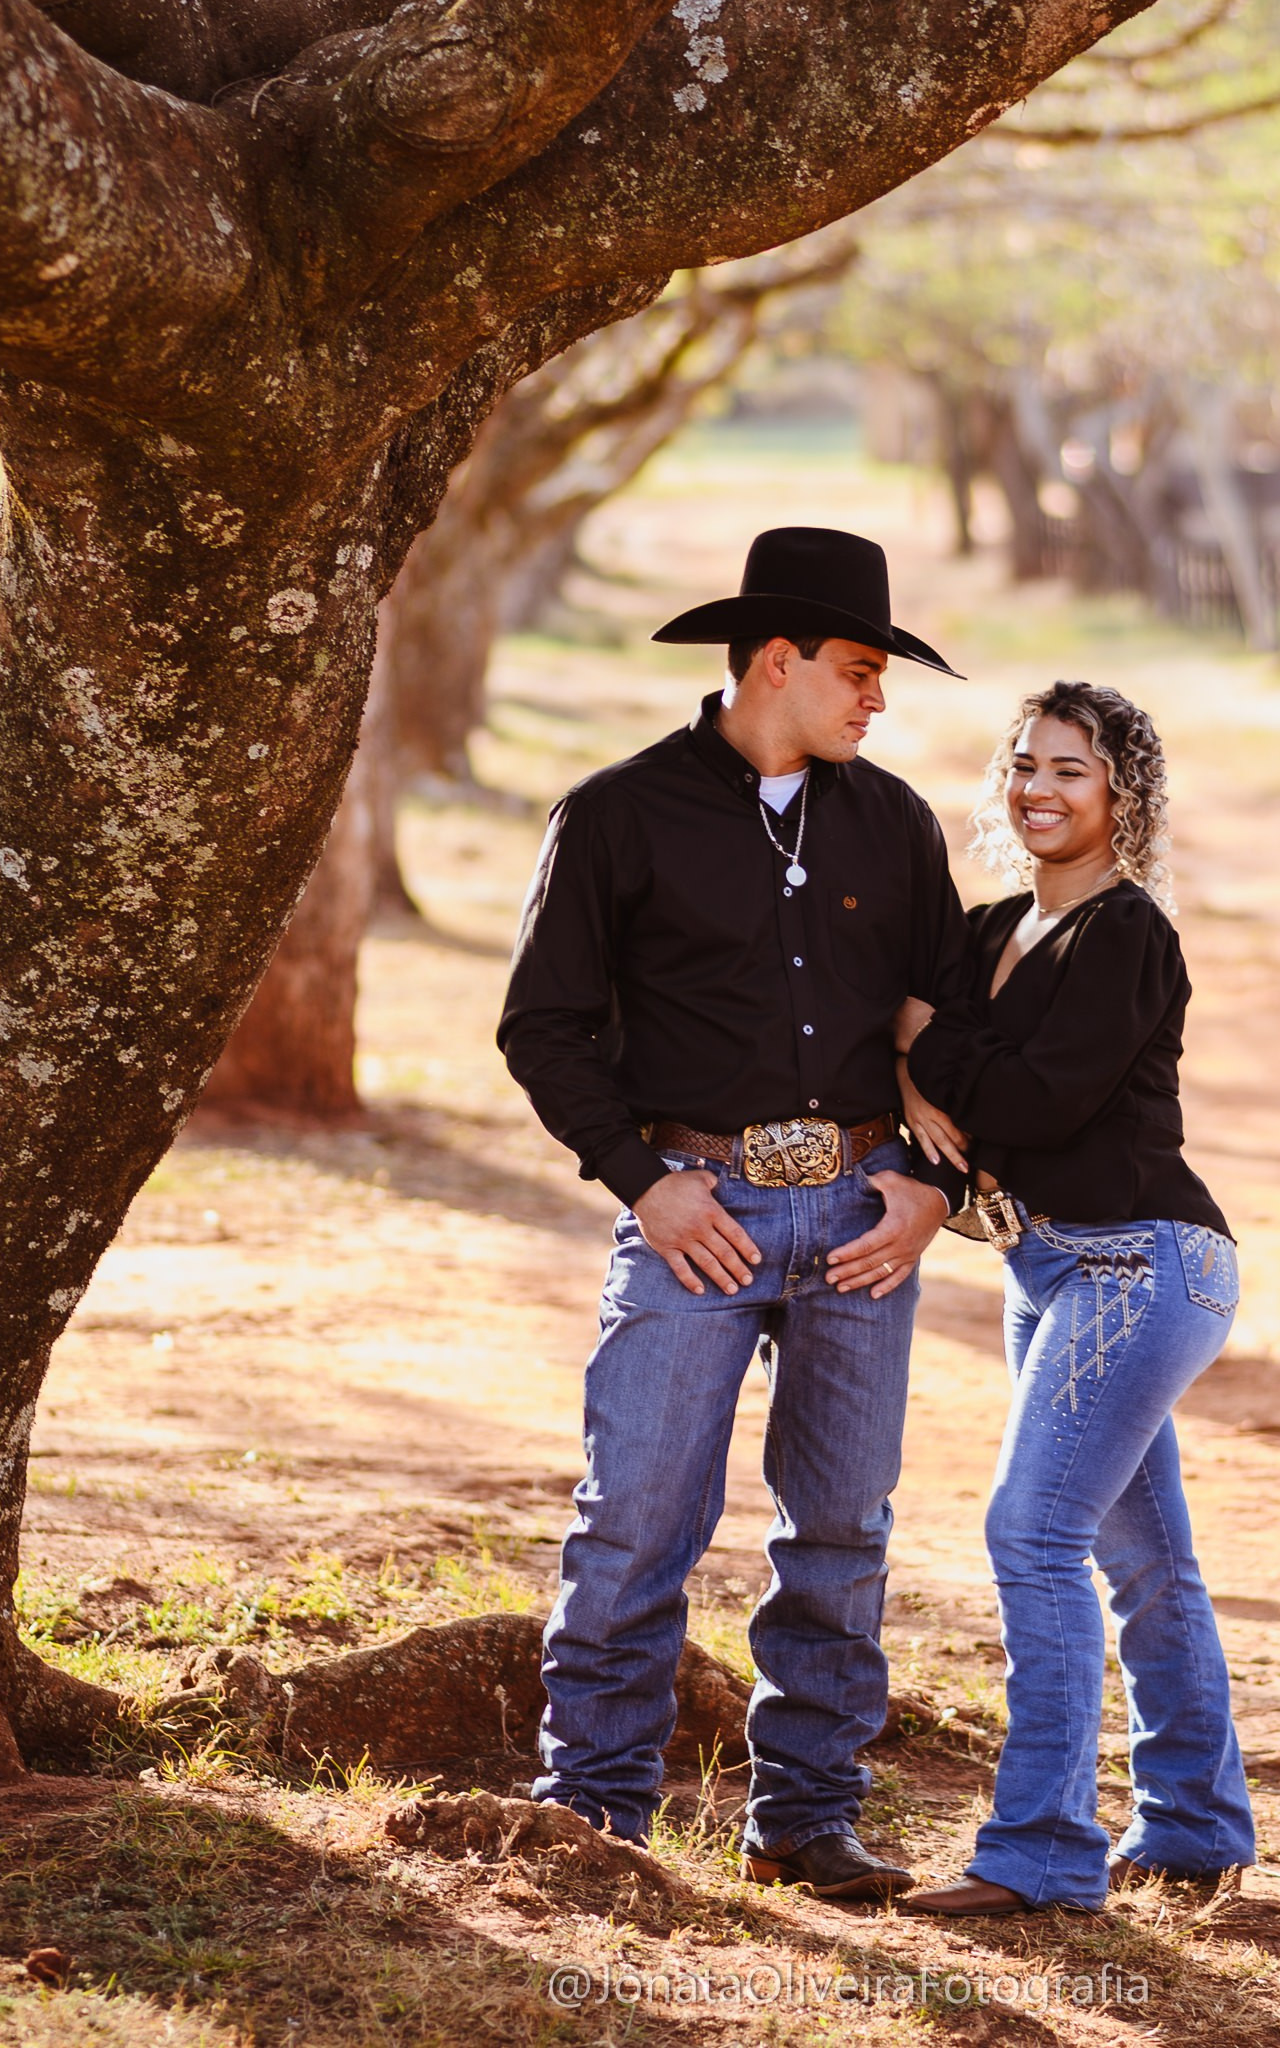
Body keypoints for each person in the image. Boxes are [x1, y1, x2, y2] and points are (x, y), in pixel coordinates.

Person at [498, 526, 963, 1903]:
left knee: (842, 1527)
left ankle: (807, 1819)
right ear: (778, 662)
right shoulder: (619, 814)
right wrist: (647, 1180)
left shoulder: (894, 822)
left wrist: (933, 1186)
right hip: (694, 1206)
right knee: (639, 1513)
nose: (877, 702)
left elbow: (951, 1025)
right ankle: (592, 1819)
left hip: (865, 1221)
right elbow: (546, 1028)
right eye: (862, 672)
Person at [894, 678, 1255, 1918]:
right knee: (1143, 1558)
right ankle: (1196, 1827)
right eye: (1025, 766)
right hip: (1043, 1266)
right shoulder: (991, 923)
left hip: (1143, 1262)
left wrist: (923, 1059)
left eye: (1072, 772)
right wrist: (919, 1061)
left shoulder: (1129, 935)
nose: (1039, 792)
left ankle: (1041, 1853)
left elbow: (1035, 1101)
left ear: (1122, 799)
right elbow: (912, 1038)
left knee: (1029, 1532)